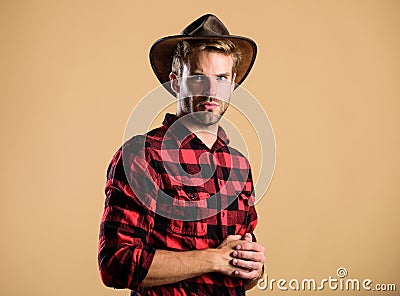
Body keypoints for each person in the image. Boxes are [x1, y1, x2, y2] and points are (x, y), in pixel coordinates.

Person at [98, 14, 265, 296]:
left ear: (233, 83)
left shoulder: (238, 165)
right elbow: (115, 264)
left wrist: (253, 268)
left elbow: (241, 275)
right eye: (199, 77)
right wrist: (213, 258)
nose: (212, 91)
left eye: (222, 78)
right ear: (176, 82)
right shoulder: (141, 156)